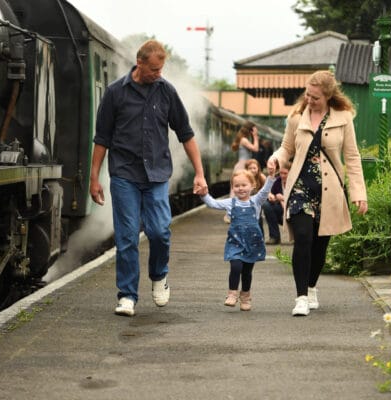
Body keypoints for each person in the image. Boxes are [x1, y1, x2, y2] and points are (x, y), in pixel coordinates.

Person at [90, 39, 208, 317]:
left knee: (159, 232)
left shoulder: (167, 92)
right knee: (127, 236)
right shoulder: (115, 93)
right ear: (139, 62)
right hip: (124, 174)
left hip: (156, 175)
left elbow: (186, 134)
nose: (158, 74)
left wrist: (200, 173)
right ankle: (127, 295)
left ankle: (159, 275)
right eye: (154, 69)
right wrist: (94, 179)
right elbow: (102, 139)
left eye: (161, 69)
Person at [267, 70, 368, 317]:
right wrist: (276, 159)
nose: (310, 100)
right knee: (303, 238)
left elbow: (352, 157)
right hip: (300, 187)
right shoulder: (296, 117)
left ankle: (312, 287)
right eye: (308, 95)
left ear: (328, 96)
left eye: (315, 97)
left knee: (320, 246)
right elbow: (286, 148)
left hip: (330, 190)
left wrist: (358, 192)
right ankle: (301, 297)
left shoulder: (343, 118)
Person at [201, 167, 276, 311]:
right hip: (235, 242)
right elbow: (213, 203)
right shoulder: (230, 203)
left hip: (252, 243)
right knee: (235, 266)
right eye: (236, 186)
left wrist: (271, 177)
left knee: (247, 272)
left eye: (244, 185)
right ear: (232, 187)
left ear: (252, 186)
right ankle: (232, 294)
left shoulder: (256, 201)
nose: (240, 188)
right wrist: (204, 195)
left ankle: (246, 296)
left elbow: (265, 191)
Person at [224, 122, 259, 223]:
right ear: (250, 130)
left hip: (244, 166)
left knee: (243, 191)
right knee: (235, 192)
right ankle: (229, 215)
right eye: (254, 130)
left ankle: (239, 214)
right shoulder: (244, 140)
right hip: (242, 167)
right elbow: (255, 148)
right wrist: (255, 136)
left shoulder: (244, 139)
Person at [263, 161, 291, 245]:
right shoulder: (278, 181)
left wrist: (283, 198)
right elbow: (271, 193)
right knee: (266, 205)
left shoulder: (296, 182)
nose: (282, 176)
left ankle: (296, 237)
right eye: (281, 173)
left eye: (285, 173)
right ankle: (274, 237)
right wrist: (271, 196)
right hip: (281, 211)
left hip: (293, 210)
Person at [245, 158, 267, 236]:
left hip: (258, 201)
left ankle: (261, 236)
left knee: (258, 219)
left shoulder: (262, 177)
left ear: (258, 169)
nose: (252, 170)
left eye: (254, 168)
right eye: (250, 168)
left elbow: (267, 190)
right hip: (247, 202)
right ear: (246, 169)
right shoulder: (244, 178)